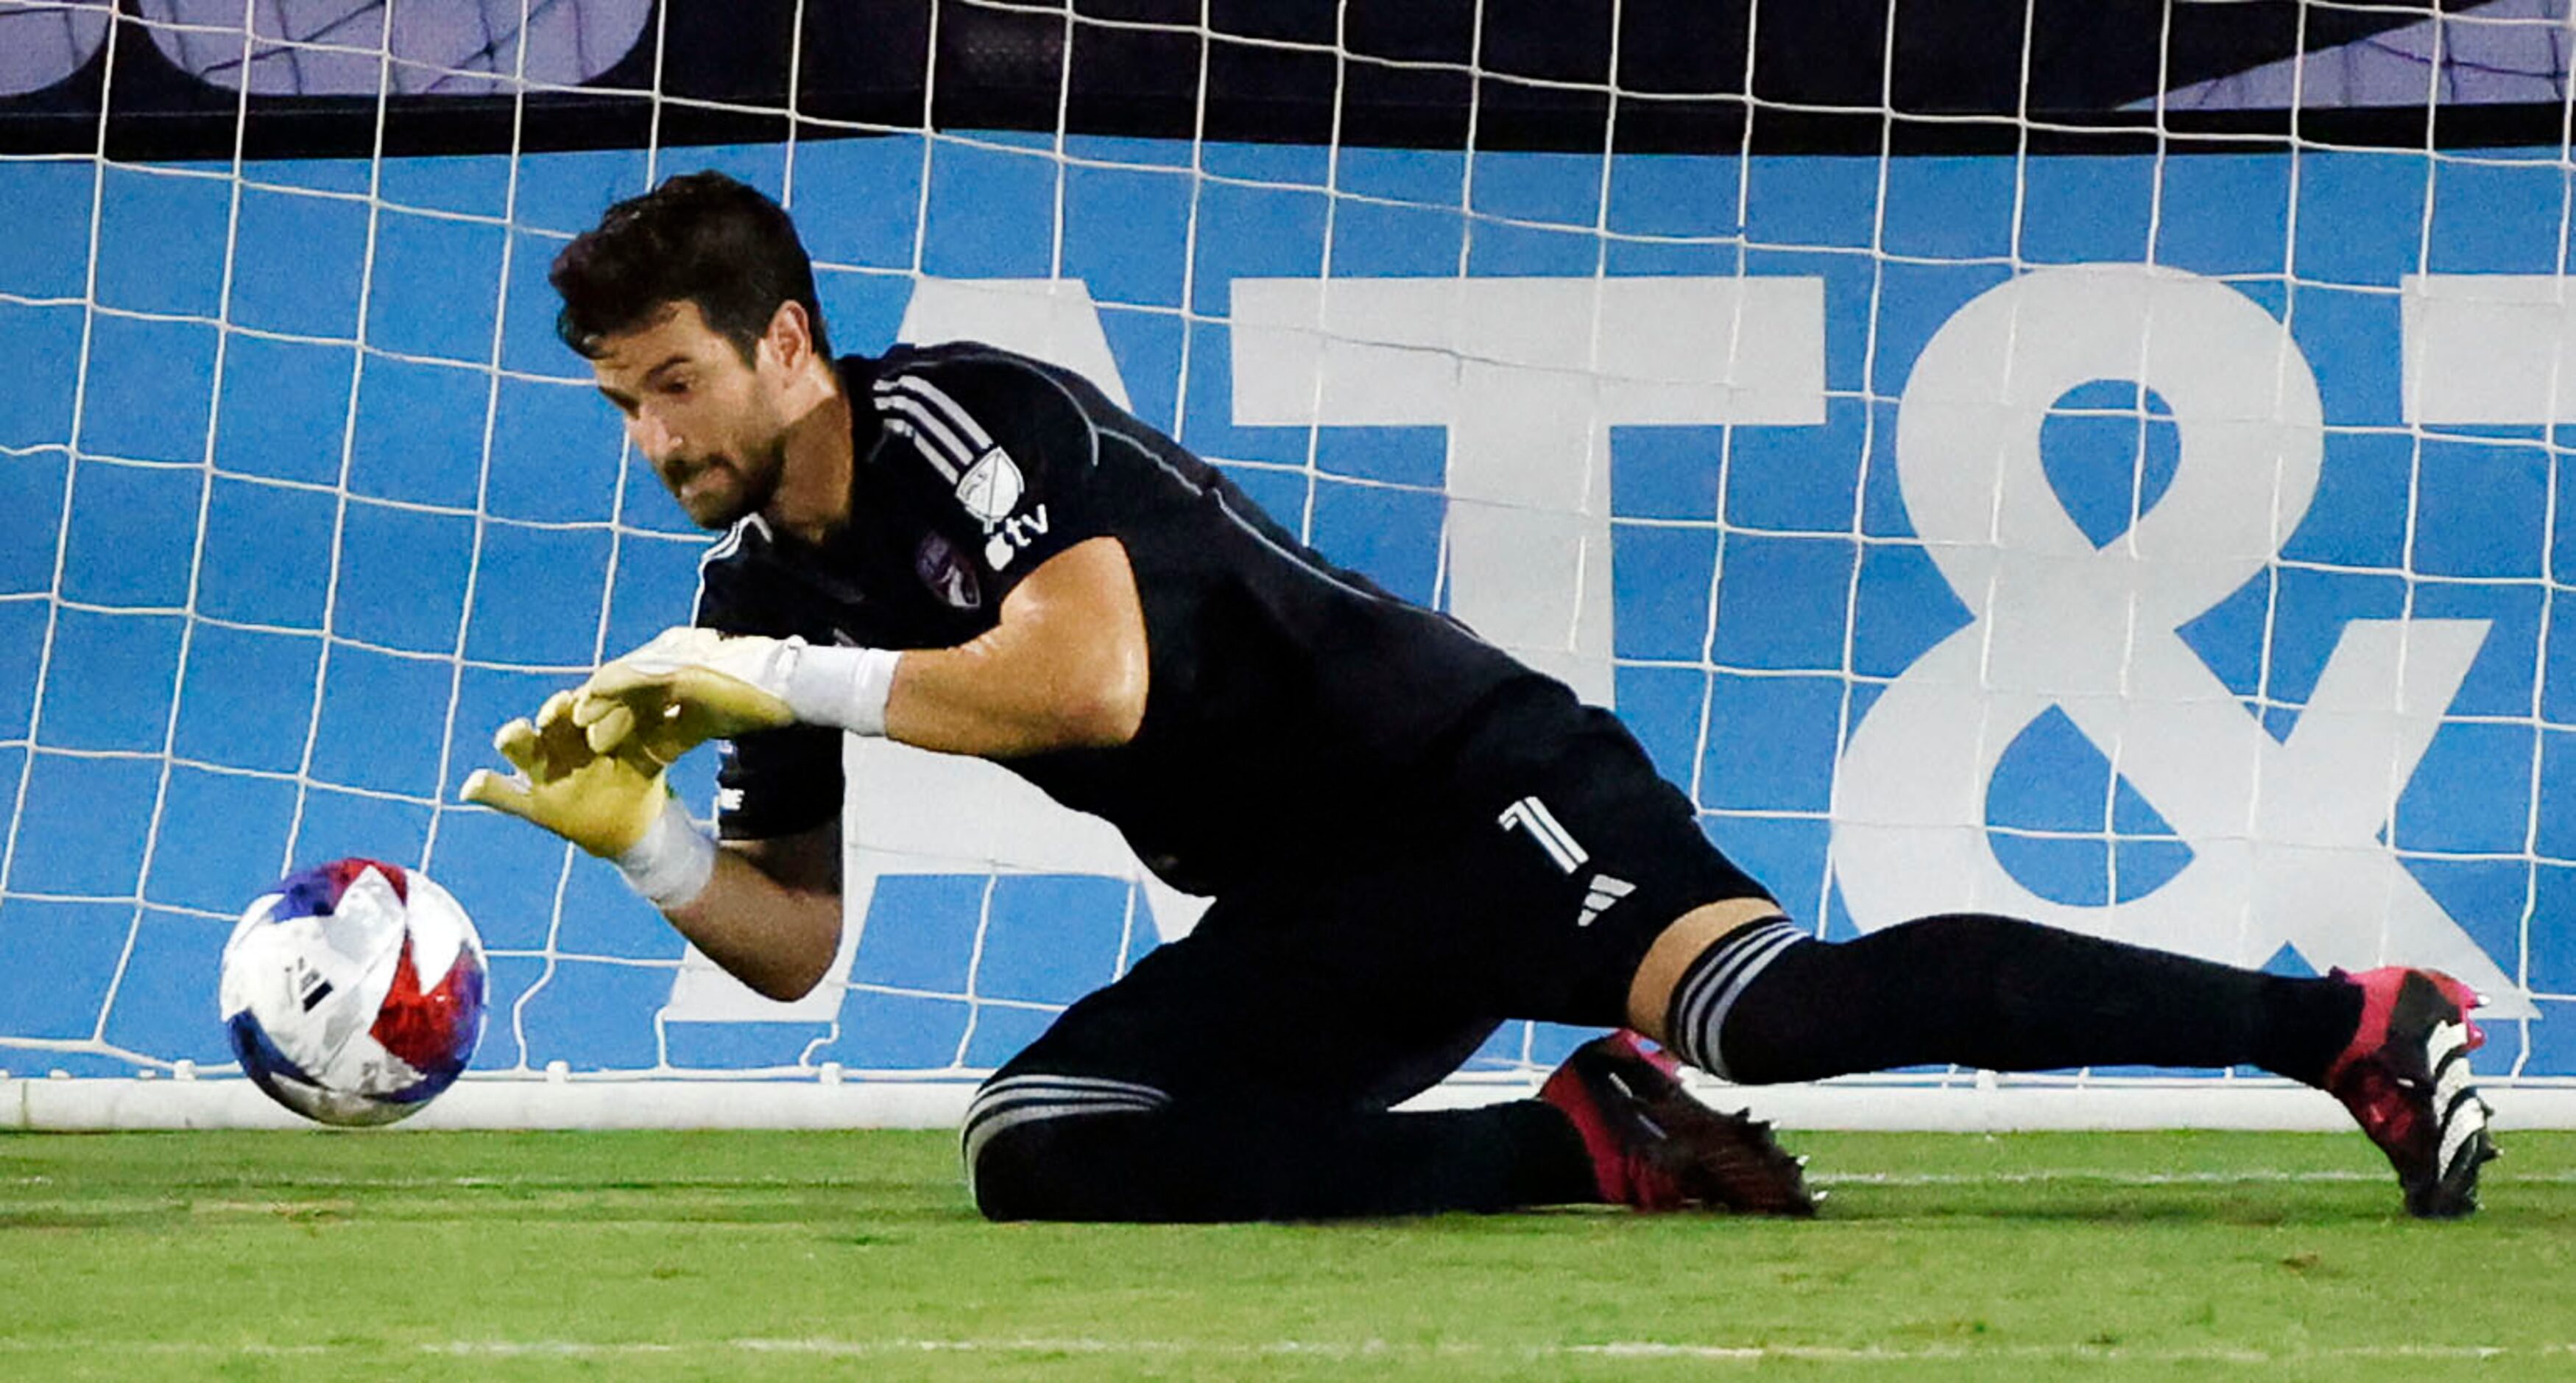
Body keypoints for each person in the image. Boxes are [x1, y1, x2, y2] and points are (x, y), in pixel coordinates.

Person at [462, 169, 2497, 1222]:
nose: (651, 435)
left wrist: (761, 677)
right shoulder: (752, 593)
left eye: (674, 383)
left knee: (1771, 1010)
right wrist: (643, 841)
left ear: (789, 345)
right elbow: (795, 950)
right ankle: (1578, 1147)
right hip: (1321, 899)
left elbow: (1085, 687)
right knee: (1043, 1141)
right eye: (622, 400)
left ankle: (2350, 1024)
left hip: (1469, 781)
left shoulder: (963, 422)